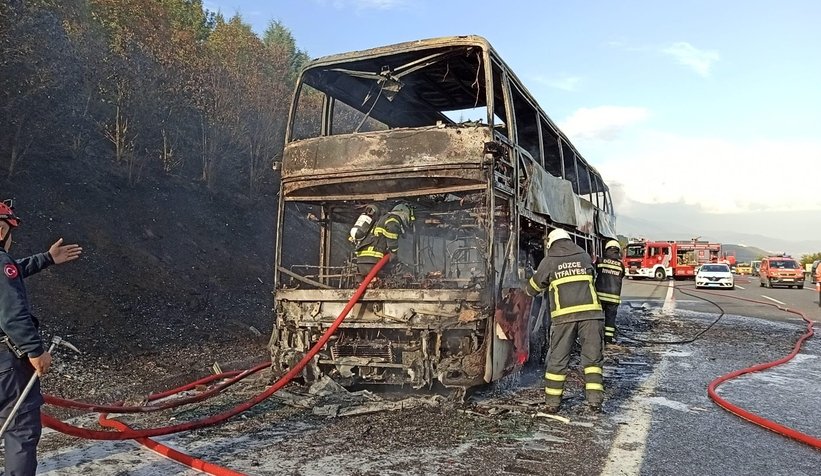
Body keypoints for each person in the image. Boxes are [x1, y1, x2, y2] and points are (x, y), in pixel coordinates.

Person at [0, 199, 82, 475]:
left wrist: (46, 258)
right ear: (1, 232)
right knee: (20, 427)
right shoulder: (1, 263)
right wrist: (35, 351)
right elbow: (12, 314)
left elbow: (13, 270)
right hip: (6, 365)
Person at [524, 228, 605, 413]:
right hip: (592, 315)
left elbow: (534, 287)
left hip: (565, 317)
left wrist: (525, 287)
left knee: (558, 360)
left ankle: (553, 404)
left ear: (551, 243)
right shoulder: (584, 256)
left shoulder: (550, 260)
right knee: (592, 361)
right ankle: (594, 403)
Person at [354, 203, 414, 282]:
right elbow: (391, 228)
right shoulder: (393, 218)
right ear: (404, 214)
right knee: (402, 272)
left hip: (361, 263)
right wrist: (393, 251)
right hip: (374, 262)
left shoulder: (379, 220)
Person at [595, 240, 625, 345]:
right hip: (613, 298)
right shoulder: (620, 265)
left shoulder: (600, 261)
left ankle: (596, 339)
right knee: (610, 321)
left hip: (599, 297)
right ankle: (608, 340)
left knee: (597, 319)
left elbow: (595, 271)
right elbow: (622, 275)